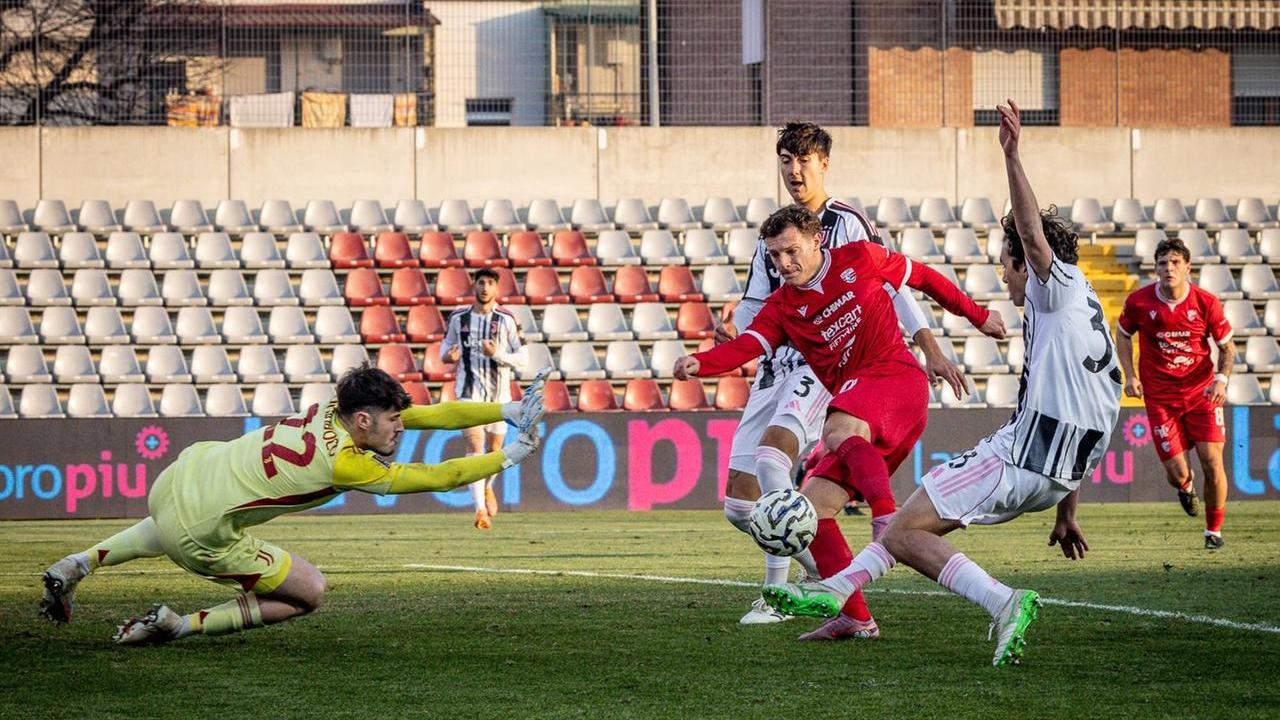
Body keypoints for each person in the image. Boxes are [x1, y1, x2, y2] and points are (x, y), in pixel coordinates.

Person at [761, 100, 1122, 668]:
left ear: (1027, 261)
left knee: (903, 530)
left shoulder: (1053, 285)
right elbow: (1080, 412)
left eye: (1006, 264)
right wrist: (1066, 510)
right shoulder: (1081, 311)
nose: (1004, 275)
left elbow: (1028, 230)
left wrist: (1011, 156)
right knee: (909, 527)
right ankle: (837, 593)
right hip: (1063, 472)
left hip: (1022, 455)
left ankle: (1004, 602)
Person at [39, 364, 549, 645]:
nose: (401, 426)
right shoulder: (348, 463)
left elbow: (431, 414)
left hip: (177, 479)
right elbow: (443, 474)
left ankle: (77, 563)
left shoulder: (337, 408)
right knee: (309, 592)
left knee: (172, 522)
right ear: (364, 422)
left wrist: (508, 408)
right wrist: (507, 457)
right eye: (392, 420)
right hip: (200, 531)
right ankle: (178, 625)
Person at [675, 204, 1002, 641]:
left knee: (835, 429)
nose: (784, 264)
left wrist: (978, 317)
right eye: (774, 256)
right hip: (863, 406)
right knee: (813, 512)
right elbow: (745, 347)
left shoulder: (860, 258)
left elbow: (924, 277)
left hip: (895, 380)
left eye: (791, 251)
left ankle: (886, 519)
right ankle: (855, 617)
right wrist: (700, 363)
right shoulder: (782, 307)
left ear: (816, 240)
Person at [716, 121, 967, 628]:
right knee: (739, 506)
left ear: (824, 163)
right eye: (786, 160)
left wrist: (929, 345)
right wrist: (738, 332)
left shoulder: (848, 223)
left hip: (824, 362)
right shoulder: (774, 231)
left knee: (772, 458)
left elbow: (895, 283)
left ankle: (777, 592)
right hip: (776, 365)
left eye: (803, 161)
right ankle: (830, 580)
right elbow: (756, 301)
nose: (793, 170)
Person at [1116, 237, 1234, 548]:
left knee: (1212, 461)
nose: (1168, 268)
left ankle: (1214, 532)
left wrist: (1221, 379)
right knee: (1176, 472)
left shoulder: (1206, 303)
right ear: (1155, 268)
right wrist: (1130, 375)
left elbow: (1227, 347)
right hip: (1160, 398)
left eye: (1175, 263)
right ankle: (1185, 486)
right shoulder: (1139, 302)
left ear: (1187, 268)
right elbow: (1123, 334)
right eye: (1163, 263)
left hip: (1202, 394)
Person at [441, 268, 527, 530]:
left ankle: (488, 487)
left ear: (497, 288)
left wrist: (498, 354)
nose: (485, 288)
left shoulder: (507, 319)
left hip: (499, 397)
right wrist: (449, 357)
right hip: (468, 395)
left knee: (495, 453)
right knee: (475, 449)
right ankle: (480, 510)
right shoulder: (458, 318)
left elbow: (524, 359)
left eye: (490, 283)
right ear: (474, 286)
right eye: (481, 283)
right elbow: (445, 348)